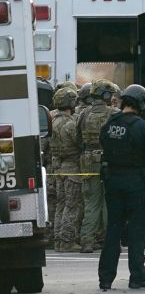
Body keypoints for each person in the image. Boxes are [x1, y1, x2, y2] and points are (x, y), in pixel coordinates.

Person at [97, 84, 145, 290]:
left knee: (113, 230)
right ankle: (138, 276)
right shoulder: (143, 128)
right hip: (136, 184)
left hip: (112, 182)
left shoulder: (109, 124)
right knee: (136, 230)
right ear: (142, 104)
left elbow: (103, 145)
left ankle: (106, 278)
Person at [77, 80, 119, 253]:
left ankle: (87, 241)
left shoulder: (83, 114)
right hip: (108, 160)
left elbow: (77, 138)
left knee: (91, 202)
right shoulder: (114, 113)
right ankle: (110, 240)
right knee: (109, 201)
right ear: (106, 95)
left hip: (87, 161)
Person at [50, 87, 83, 253]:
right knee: (72, 205)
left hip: (57, 168)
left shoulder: (52, 120)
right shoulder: (70, 124)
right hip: (72, 168)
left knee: (60, 205)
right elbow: (80, 143)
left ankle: (58, 240)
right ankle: (67, 241)